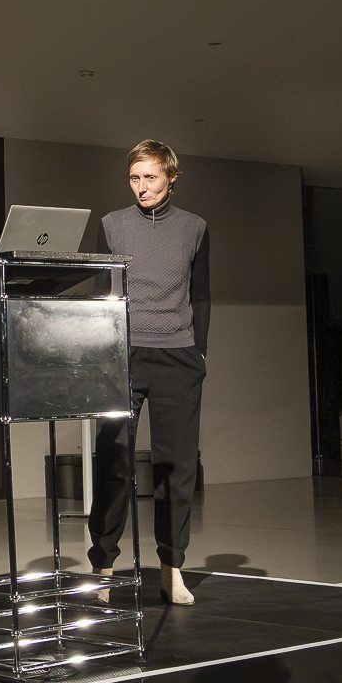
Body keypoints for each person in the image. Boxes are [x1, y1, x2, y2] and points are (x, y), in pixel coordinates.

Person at [89, 140, 209, 606]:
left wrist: (200, 350)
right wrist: (105, 353)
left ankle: (171, 568)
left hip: (178, 356)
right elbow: (104, 294)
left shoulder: (194, 228)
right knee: (112, 461)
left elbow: (201, 294)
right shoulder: (112, 226)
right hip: (123, 355)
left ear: (171, 177)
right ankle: (103, 566)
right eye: (135, 178)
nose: (142, 187)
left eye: (151, 178)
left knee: (176, 468)